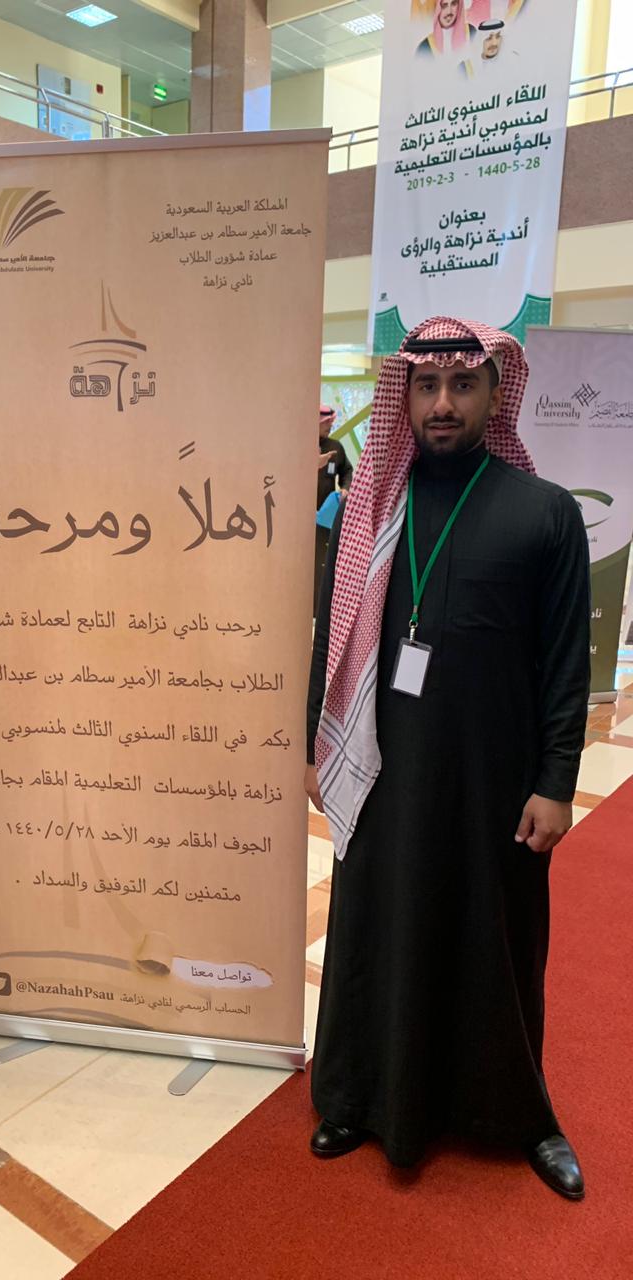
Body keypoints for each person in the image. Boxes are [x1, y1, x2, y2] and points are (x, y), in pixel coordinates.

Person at [305, 317, 590, 1200]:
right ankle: (358, 1097)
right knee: (377, 928)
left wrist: (555, 783)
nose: (441, 403)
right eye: (425, 386)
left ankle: (520, 1116)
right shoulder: (368, 511)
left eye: (462, 385)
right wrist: (315, 745)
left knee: (496, 942)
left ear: (495, 393)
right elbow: (331, 639)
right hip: (383, 771)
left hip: (493, 780)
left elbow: (565, 664)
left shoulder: (545, 513)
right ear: (405, 395)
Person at [314, 405, 353, 603]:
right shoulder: (298, 445)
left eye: (331, 423)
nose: (330, 427)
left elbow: (347, 471)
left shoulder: (335, 447)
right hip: (300, 518)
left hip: (325, 517)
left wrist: (346, 487)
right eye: (326, 423)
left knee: (323, 562)